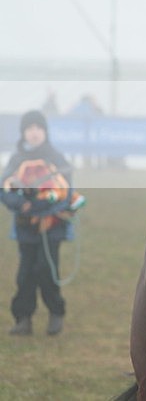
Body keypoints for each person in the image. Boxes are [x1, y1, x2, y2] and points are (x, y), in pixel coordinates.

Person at [1, 110, 82, 336]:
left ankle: (56, 313)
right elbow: (5, 188)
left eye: (38, 128)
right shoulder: (16, 159)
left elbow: (66, 191)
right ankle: (23, 318)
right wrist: (20, 205)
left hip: (52, 227)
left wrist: (43, 207)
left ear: (45, 131)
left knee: (46, 269)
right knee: (25, 272)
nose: (34, 133)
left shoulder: (56, 158)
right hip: (25, 227)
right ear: (23, 132)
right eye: (29, 128)